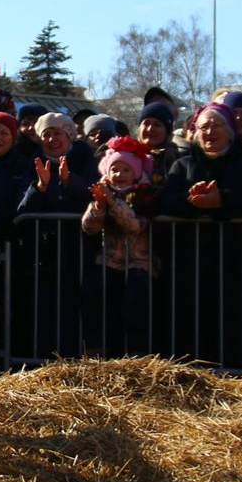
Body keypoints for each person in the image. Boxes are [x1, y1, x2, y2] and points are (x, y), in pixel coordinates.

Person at [79, 135, 160, 355]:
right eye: (114, 169)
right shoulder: (103, 194)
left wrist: (113, 203)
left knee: (134, 303)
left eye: (125, 170)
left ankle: (137, 355)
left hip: (140, 263)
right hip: (109, 260)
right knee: (93, 295)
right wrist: (98, 207)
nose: (119, 175)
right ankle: (96, 350)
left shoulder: (145, 196)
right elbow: (89, 227)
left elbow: (134, 225)